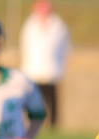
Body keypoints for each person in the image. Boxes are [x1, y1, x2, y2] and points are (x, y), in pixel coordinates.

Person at [20, 0, 71, 128]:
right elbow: (26, 48)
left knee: (51, 102)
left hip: (52, 70)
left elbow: (65, 48)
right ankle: (32, 125)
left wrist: (61, 65)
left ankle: (53, 126)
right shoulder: (30, 25)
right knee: (33, 103)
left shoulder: (59, 26)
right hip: (33, 71)